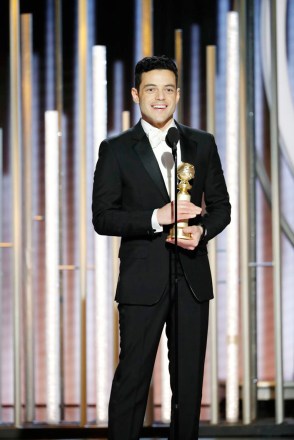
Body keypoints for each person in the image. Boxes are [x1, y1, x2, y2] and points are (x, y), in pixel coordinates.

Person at [92, 55, 231, 440]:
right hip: (141, 282)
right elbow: (103, 217)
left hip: (191, 280)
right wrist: (157, 217)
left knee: (188, 389)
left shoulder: (201, 143)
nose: (160, 97)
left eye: (168, 89)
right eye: (151, 89)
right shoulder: (116, 149)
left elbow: (221, 207)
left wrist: (201, 231)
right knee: (132, 382)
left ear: (178, 94)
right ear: (136, 93)